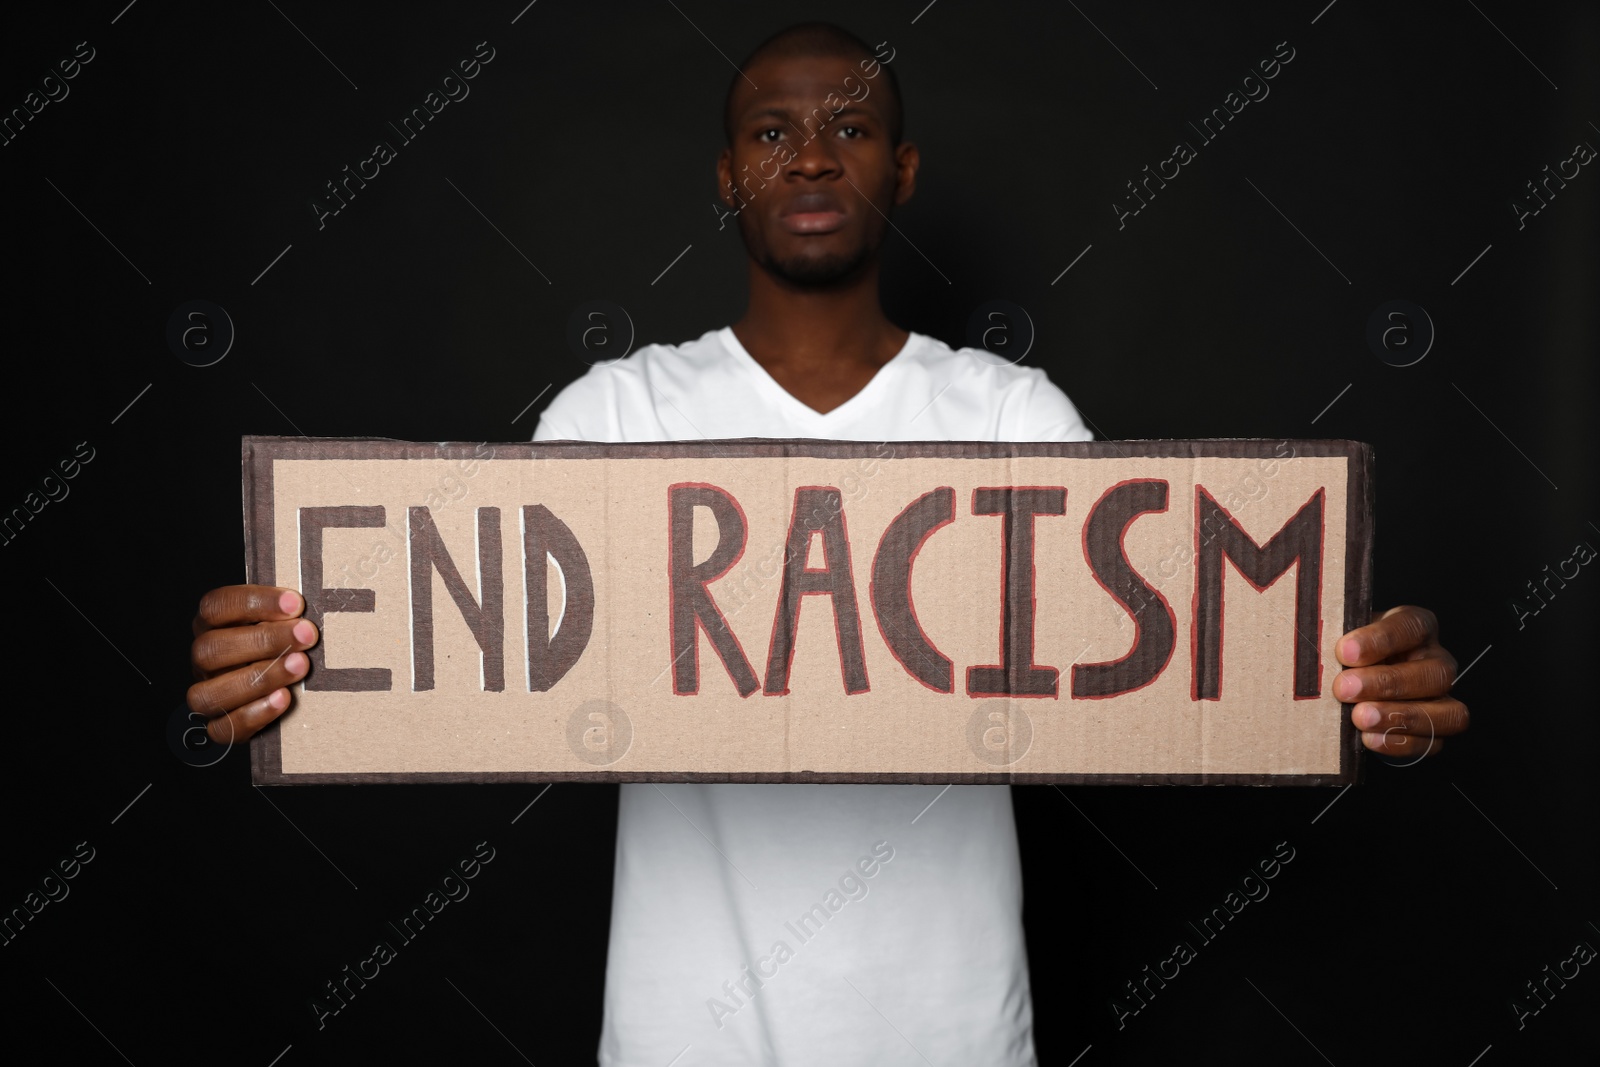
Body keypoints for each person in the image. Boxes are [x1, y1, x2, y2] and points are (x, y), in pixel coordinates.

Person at [186, 23, 1469, 1066]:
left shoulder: (1012, 421)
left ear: (901, 170)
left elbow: (1166, 649)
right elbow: (475, 641)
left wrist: (1336, 678)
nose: (811, 156)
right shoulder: (617, 416)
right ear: (727, 172)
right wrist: (303, 654)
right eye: (772, 131)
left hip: (955, 1037)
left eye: (849, 126)